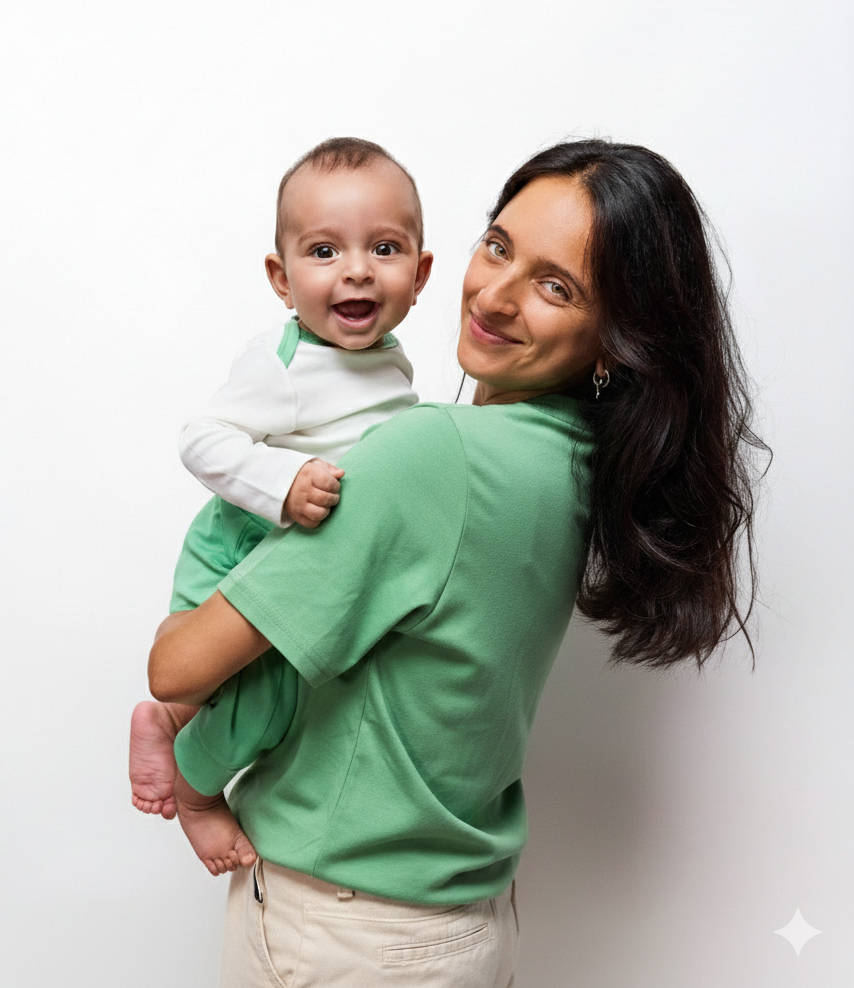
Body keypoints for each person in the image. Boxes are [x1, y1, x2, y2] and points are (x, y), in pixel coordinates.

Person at [147, 140, 765, 987]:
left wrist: (184, 749)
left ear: (616, 340)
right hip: (461, 923)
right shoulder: (576, 464)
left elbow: (176, 667)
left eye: (557, 287)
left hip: (343, 932)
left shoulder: (432, 453)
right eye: (499, 246)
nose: (496, 295)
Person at [129, 137, 433, 873]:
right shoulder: (285, 363)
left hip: (302, 550)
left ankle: (167, 720)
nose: (357, 270)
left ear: (420, 274)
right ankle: (198, 792)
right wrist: (284, 483)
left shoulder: (387, 356)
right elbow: (202, 439)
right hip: (242, 541)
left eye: (384, 248)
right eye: (324, 251)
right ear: (282, 278)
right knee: (268, 695)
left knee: (254, 682)